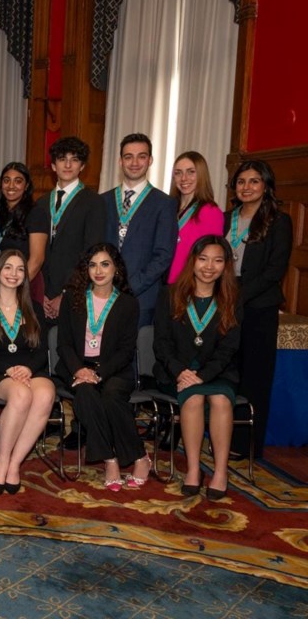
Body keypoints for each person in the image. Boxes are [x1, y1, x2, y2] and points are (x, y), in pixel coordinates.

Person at [154, 236, 241, 500]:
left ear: (225, 265)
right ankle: (193, 470)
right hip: (176, 371)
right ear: (193, 261)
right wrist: (181, 372)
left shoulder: (233, 298)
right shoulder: (169, 294)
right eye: (203, 259)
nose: (209, 267)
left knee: (220, 400)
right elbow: (161, 343)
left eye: (217, 260)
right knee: (192, 400)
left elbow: (229, 348)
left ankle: (220, 472)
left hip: (217, 371)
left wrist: (202, 375)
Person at [57, 243, 148, 492]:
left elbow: (126, 351)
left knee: (110, 396)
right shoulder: (72, 298)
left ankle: (140, 457)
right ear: (86, 269)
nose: (98, 270)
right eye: (93, 265)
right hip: (77, 367)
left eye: (105, 264)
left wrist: (99, 373)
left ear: (116, 268)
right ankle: (110, 460)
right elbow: (63, 344)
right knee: (85, 394)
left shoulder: (129, 304)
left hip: (113, 369)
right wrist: (79, 370)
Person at [225, 159, 292, 459]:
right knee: (228, 375)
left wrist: (238, 295)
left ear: (266, 186)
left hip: (258, 307)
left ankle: (246, 445)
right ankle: (222, 438)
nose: (247, 187)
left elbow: (274, 270)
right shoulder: (227, 219)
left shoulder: (279, 221)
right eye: (241, 181)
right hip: (226, 304)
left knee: (254, 378)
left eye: (254, 181)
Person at [0, 250, 55, 494]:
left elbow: (43, 350)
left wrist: (28, 368)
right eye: (8, 268)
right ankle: (2, 458)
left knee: (45, 394)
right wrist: (8, 368)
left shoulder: (33, 307)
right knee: (21, 395)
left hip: (29, 368)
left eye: (20, 269)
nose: (14, 274)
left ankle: (14, 462)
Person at [102, 133, 177, 326]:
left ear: (150, 160)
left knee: (136, 354)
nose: (134, 162)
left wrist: (129, 286)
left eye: (141, 156)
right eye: (128, 156)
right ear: (120, 161)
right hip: (102, 295)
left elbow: (163, 255)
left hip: (142, 298)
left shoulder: (164, 204)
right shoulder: (102, 201)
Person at [28, 136, 105, 326]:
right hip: (42, 295)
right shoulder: (41, 203)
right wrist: (42, 293)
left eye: (75, 159)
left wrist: (66, 293)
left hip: (74, 294)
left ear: (82, 166)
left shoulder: (94, 202)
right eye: (62, 159)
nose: (68, 165)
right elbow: (35, 253)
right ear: (54, 166)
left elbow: (91, 253)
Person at [167, 151, 224, 283]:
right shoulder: (167, 208)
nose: (184, 178)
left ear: (201, 175)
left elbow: (211, 255)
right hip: (162, 282)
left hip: (189, 284)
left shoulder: (211, 212)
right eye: (178, 173)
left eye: (191, 172)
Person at [0, 161, 45, 305]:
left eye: (18, 181)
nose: (11, 186)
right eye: (6, 180)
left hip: (25, 284)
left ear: (26, 185)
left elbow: (36, 260)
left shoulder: (36, 213)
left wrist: (15, 286)